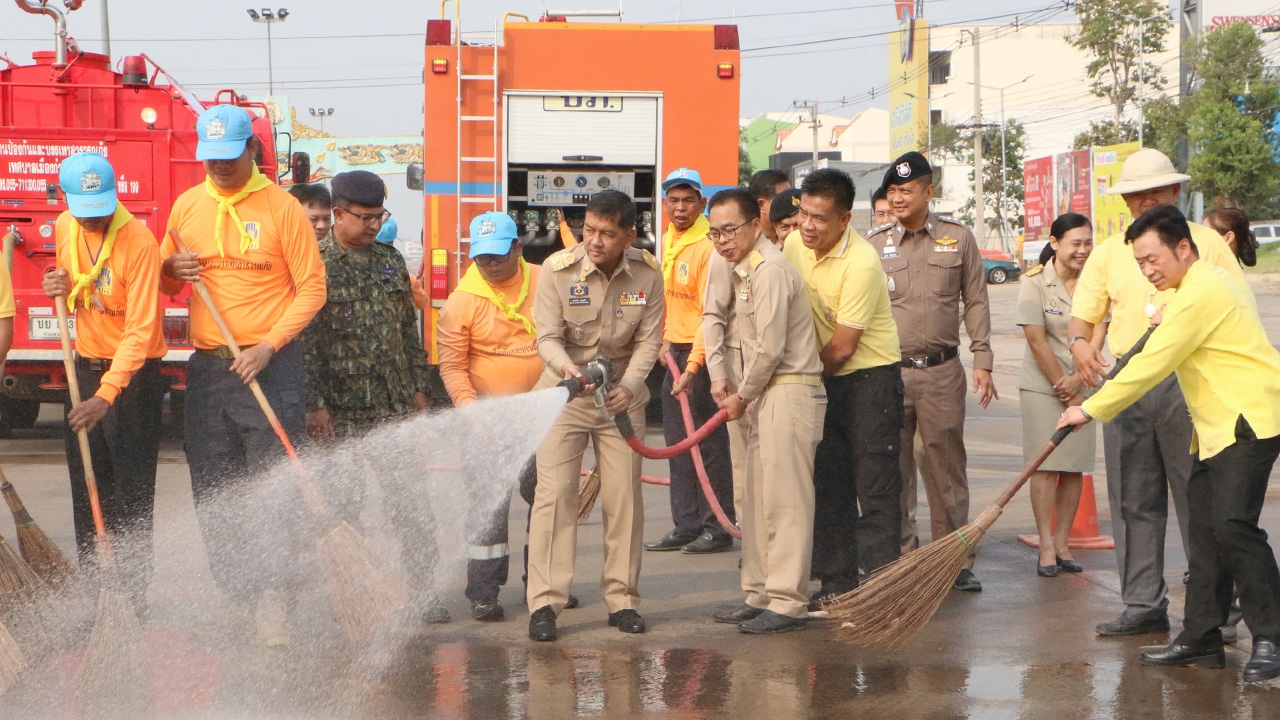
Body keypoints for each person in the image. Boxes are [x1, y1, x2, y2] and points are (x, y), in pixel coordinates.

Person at [1059, 205, 1280, 684]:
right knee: (1204, 530)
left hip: (1248, 419)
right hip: (1215, 426)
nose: (1147, 270)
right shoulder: (1182, 294)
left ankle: (1272, 636)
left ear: (1185, 248)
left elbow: (1153, 363)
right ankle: (1201, 638)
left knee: (1233, 527)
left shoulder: (1205, 290)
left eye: (1153, 259)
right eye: (1139, 262)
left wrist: (1091, 407)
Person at [160, 104, 327, 646]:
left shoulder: (283, 209)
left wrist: (268, 345)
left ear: (252, 150)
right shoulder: (186, 208)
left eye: (230, 157)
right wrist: (170, 271)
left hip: (271, 365)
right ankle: (240, 592)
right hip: (209, 368)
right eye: (210, 159)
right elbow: (166, 286)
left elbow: (312, 289)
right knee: (213, 482)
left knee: (271, 485)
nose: (220, 168)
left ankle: (275, 597)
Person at [1068, 148, 1247, 637]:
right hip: (1126, 379)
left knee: (1196, 495)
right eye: (1135, 196)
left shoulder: (1206, 244)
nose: (1144, 202)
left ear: (1175, 194)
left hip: (1188, 380)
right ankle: (1143, 602)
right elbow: (1083, 316)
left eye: (1155, 193)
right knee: (1133, 496)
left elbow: (1235, 307)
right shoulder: (1108, 252)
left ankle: (1215, 608)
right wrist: (1081, 343)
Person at [300, 171, 446, 624]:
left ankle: (423, 593)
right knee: (345, 510)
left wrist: (420, 387)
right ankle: (359, 595)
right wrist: (315, 404)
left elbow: (408, 328)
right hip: (340, 410)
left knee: (413, 508)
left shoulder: (390, 260)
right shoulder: (314, 265)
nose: (373, 225)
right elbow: (304, 344)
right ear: (338, 214)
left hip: (394, 405)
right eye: (364, 218)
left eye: (379, 216)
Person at [526, 190, 664, 642]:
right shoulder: (556, 269)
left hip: (622, 398)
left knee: (623, 500)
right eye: (589, 230)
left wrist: (631, 386)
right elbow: (546, 336)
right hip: (566, 395)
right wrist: (567, 369)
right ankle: (546, 602)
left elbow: (648, 340)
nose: (594, 241)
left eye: (607, 233)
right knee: (555, 497)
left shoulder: (647, 272)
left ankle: (622, 600)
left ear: (629, 234)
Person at [865, 151, 996, 593]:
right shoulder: (875, 243)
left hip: (941, 373)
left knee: (944, 468)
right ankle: (903, 558)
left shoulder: (958, 239)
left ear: (928, 191)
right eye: (892, 191)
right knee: (894, 469)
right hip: (889, 374)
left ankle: (952, 561)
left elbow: (976, 299)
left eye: (906, 190)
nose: (898, 198)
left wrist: (983, 358)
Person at [43, 152, 166, 611]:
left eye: (101, 209)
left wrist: (106, 395)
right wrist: (57, 284)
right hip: (86, 371)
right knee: (88, 488)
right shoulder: (63, 226)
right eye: (83, 210)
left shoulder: (139, 242)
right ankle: (99, 598)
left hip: (131, 381)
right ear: (67, 200)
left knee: (130, 495)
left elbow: (140, 332)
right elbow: (75, 287)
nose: (92, 219)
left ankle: (134, 600)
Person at [436, 211, 569, 622]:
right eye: (482, 257)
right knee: (487, 509)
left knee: (545, 501)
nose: (490, 264)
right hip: (486, 421)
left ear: (517, 247)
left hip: (542, 415)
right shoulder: (462, 301)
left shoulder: (545, 281)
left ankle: (542, 588)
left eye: (497, 255)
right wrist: (470, 412)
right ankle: (483, 592)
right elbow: (453, 366)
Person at [704, 188, 825, 634]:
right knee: (755, 500)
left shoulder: (770, 268)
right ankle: (758, 592)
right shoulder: (743, 270)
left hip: (788, 390)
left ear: (757, 223)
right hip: (763, 394)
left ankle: (788, 600)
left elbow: (771, 348)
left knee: (785, 503)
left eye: (730, 230)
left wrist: (741, 395)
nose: (722, 240)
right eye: (714, 233)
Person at [783, 168, 904, 604]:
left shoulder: (863, 263)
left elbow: (842, 349)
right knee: (829, 485)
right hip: (822, 379)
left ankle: (882, 592)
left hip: (870, 382)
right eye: (803, 213)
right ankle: (836, 586)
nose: (807, 225)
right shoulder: (794, 244)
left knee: (874, 489)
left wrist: (796, 380)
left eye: (819, 218)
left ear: (844, 219)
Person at [644, 168, 736, 555]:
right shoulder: (669, 241)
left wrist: (695, 367)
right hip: (672, 353)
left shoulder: (706, 247)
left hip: (701, 355)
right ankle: (686, 524)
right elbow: (665, 301)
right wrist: (662, 343)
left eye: (688, 200)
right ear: (664, 204)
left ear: (701, 203)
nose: (679, 207)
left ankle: (717, 527)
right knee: (677, 442)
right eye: (673, 200)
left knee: (708, 443)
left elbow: (708, 316)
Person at [1016, 213, 1102, 577]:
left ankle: (1064, 542)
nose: (1082, 250)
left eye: (1087, 242)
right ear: (1054, 243)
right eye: (1075, 243)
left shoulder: (1095, 281)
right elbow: (1036, 339)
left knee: (1074, 468)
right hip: (1042, 385)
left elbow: (1099, 331)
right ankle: (1046, 545)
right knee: (1045, 465)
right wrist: (1063, 386)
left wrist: (1080, 383)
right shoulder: (1034, 282)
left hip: (1084, 385)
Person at [747, 169, 791, 244]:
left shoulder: (800, 240)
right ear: (761, 205)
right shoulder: (744, 245)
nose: (790, 204)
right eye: (784, 199)